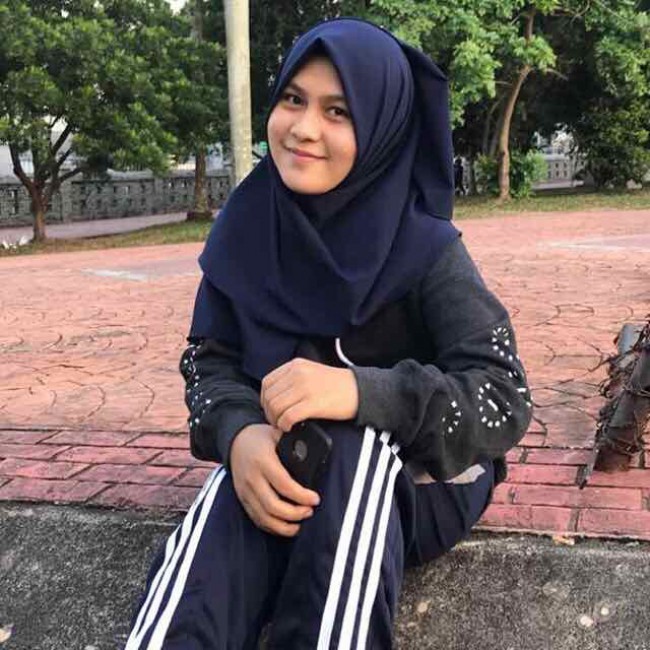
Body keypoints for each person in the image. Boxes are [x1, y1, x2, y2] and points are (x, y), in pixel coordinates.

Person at [124, 17, 531, 650]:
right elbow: (210, 362)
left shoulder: (425, 248)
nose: (304, 128)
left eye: (338, 111)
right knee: (235, 493)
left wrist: (361, 393)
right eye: (293, 99)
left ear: (381, 126)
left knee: (350, 445)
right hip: (289, 464)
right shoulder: (246, 228)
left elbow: (503, 397)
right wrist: (238, 436)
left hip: (423, 483)